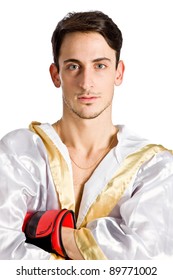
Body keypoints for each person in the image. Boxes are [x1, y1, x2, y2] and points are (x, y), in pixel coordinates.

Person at [0, 10, 173, 260]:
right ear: (56, 74)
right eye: (73, 66)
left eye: (100, 65)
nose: (86, 82)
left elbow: (149, 259)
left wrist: (52, 234)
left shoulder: (155, 167)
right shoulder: (19, 153)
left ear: (119, 73)